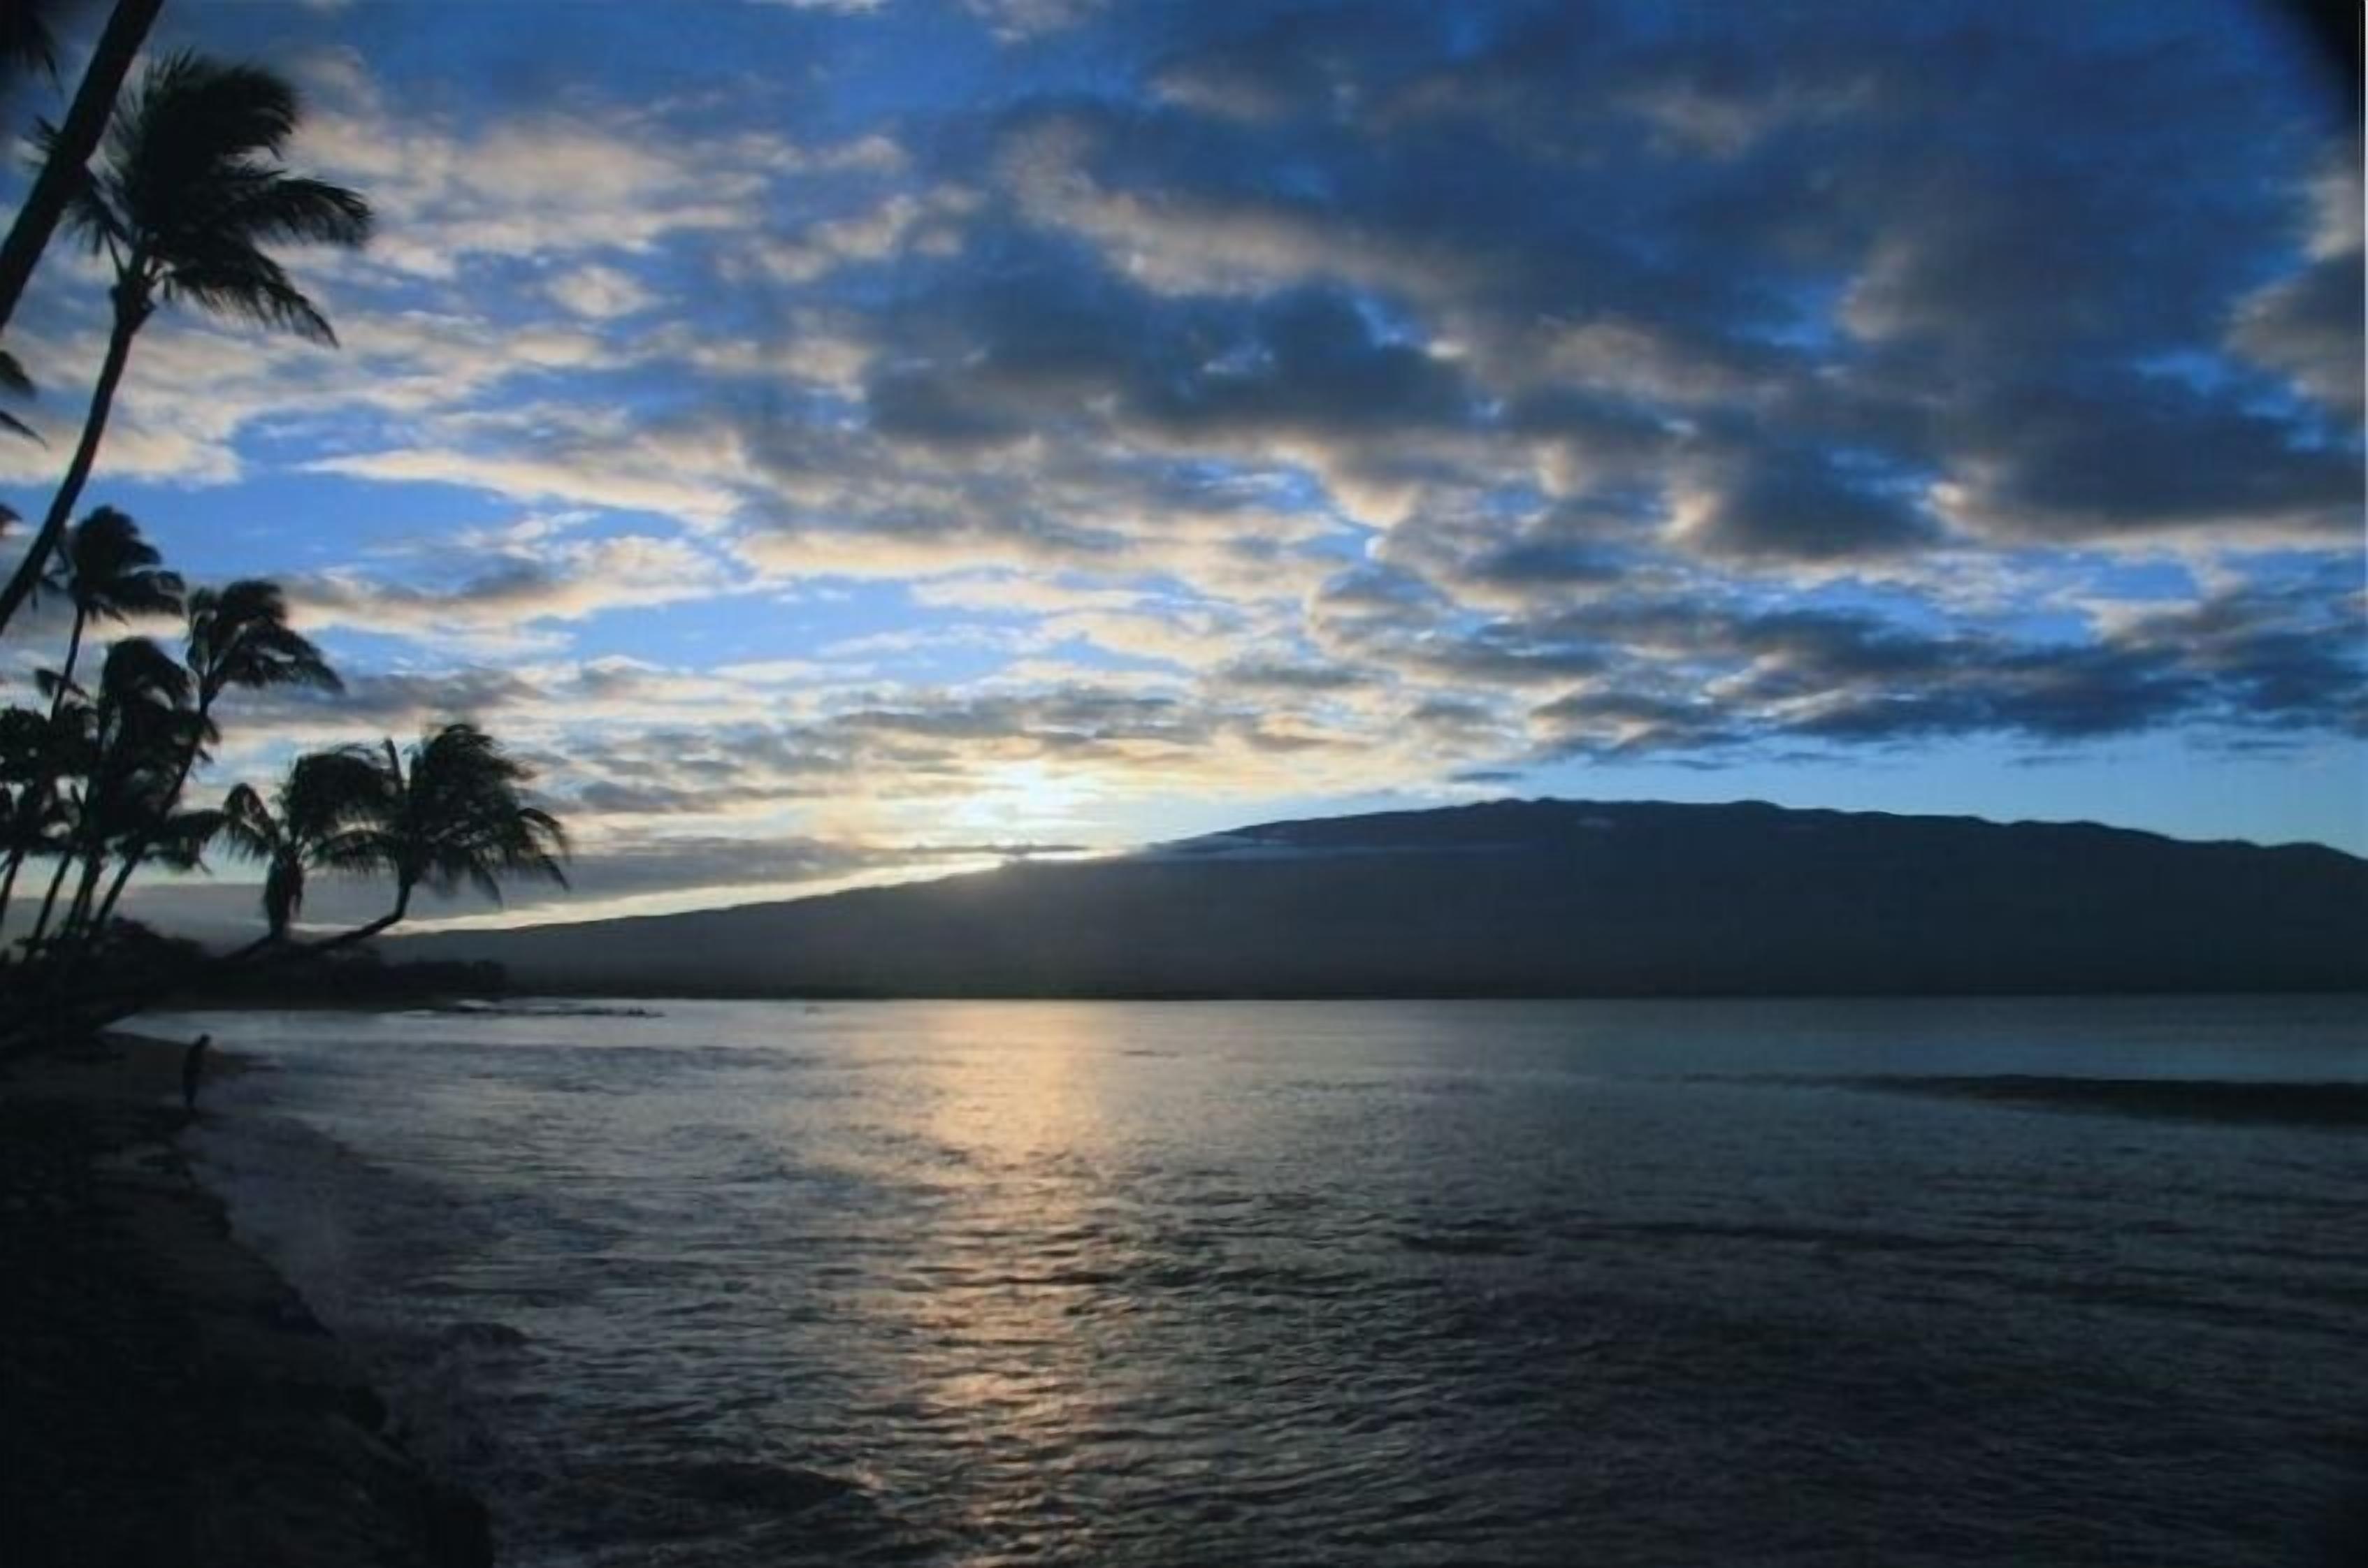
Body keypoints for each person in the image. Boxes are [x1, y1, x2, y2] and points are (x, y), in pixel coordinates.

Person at [180, 1033, 212, 1115]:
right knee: (191, 1090)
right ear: (203, 1041)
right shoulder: (197, 1049)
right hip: (191, 1072)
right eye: (207, 1042)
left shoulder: (199, 1048)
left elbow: (199, 1061)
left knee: (192, 1090)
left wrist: (202, 1068)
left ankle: (189, 1106)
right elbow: (193, 1061)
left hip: (192, 1071)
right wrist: (199, 1068)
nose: (208, 1044)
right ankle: (188, 1107)